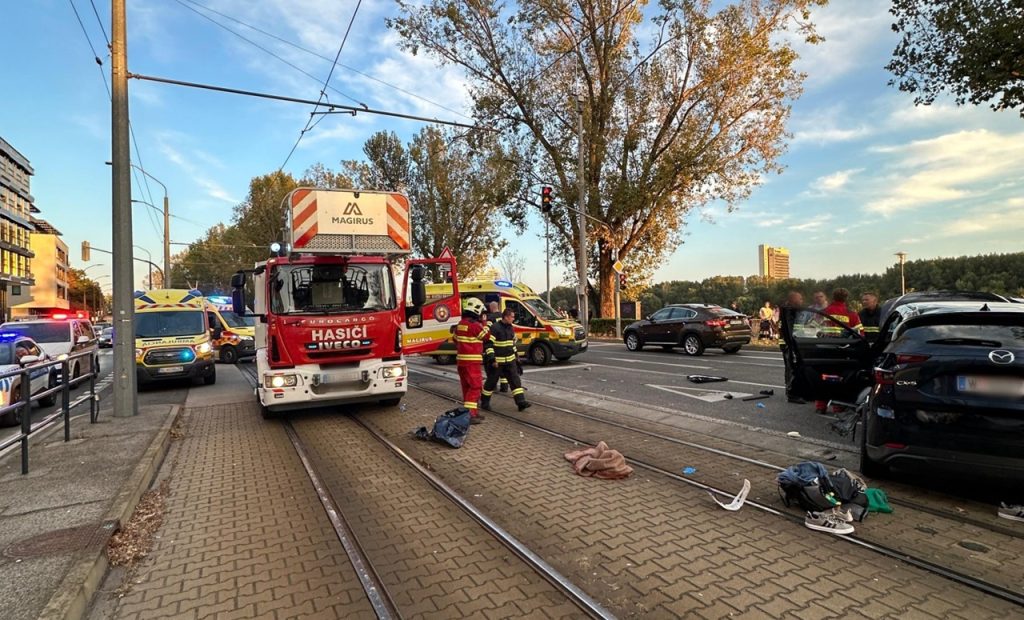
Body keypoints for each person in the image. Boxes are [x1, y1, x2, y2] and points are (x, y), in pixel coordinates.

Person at [814, 288, 862, 414]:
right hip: (842, 351)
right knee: (837, 378)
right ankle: (837, 406)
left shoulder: (823, 312)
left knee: (823, 378)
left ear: (832, 297)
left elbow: (811, 329)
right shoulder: (852, 314)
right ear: (846, 298)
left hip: (824, 350)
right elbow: (860, 334)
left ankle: (820, 406)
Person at [481, 308, 532, 412]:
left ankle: (521, 402)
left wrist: (517, 357)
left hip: (510, 361)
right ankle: (484, 403)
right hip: (497, 362)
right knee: (491, 382)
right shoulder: (495, 328)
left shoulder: (510, 328)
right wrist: (492, 360)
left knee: (515, 381)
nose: (513, 319)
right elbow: (489, 345)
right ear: (506, 317)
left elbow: (511, 344)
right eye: (512, 317)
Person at [454, 297, 490, 424]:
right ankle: (469, 415)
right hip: (472, 362)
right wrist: (485, 323)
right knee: (475, 387)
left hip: (461, 362)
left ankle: (470, 412)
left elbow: (455, 339)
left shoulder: (460, 324)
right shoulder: (475, 326)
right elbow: (486, 336)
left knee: (466, 387)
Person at [482, 301, 509, 394]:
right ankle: (504, 387)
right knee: (503, 366)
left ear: (491, 308)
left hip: (494, 343)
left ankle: (492, 386)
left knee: (492, 366)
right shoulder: (503, 316)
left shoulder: (490, 317)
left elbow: (487, 330)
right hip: (504, 343)